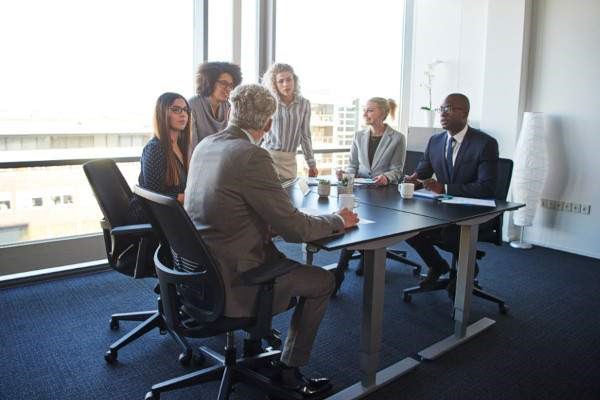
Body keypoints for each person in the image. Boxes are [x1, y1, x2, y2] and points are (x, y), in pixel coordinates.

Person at [184, 84, 359, 396]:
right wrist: (337, 220)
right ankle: (288, 370)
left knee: (281, 254)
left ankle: (256, 342)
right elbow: (294, 229)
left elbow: (218, 205)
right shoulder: (252, 155)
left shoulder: (206, 145)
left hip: (198, 271)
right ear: (267, 124)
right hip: (236, 279)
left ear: (231, 112)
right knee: (322, 282)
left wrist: (265, 223)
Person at [404, 93, 499, 291]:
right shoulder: (435, 141)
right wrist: (413, 180)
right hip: (443, 208)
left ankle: (469, 268)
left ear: (464, 113)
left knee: (448, 234)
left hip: (473, 210)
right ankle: (437, 265)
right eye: (441, 109)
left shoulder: (485, 143)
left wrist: (445, 188)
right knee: (408, 227)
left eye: (448, 109)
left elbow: (487, 187)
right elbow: (422, 173)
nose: (442, 113)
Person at [332, 97, 406, 293]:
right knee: (352, 223)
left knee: (365, 226)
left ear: (382, 113)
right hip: (361, 191)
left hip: (383, 193)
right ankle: (340, 270)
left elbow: (397, 170)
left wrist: (386, 177)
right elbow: (353, 166)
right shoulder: (359, 135)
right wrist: (345, 175)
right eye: (364, 110)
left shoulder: (397, 138)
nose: (365, 114)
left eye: (369, 110)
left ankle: (357, 260)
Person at [131, 92, 191, 222]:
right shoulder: (155, 148)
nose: (183, 114)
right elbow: (154, 196)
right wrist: (187, 197)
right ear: (162, 113)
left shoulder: (182, 147)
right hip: (155, 218)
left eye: (185, 110)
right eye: (176, 110)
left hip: (176, 213)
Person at [261, 63, 318, 180]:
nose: (285, 84)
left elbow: (305, 135)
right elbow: (259, 130)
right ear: (274, 84)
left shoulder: (304, 104)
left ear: (294, 80)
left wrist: (311, 164)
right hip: (268, 158)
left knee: (289, 196)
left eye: (289, 79)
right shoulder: (268, 102)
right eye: (280, 81)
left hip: (290, 161)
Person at [188, 61, 242, 159]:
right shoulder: (193, 105)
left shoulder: (228, 107)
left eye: (231, 85)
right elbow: (191, 148)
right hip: (198, 161)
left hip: (220, 161)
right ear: (210, 81)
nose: (228, 89)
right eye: (223, 83)